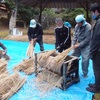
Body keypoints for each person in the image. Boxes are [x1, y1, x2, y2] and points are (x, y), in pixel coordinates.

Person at [86, 3, 100, 93]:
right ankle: (97, 84)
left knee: (97, 69)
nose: (92, 14)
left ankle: (97, 88)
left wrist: (91, 53)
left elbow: (96, 40)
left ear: (96, 11)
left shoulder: (99, 23)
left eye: (92, 12)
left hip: (98, 51)